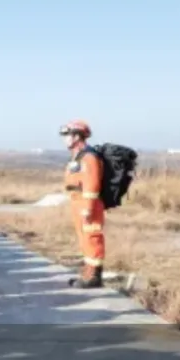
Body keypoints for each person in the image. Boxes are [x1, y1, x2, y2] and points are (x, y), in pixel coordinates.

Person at [60, 119, 106, 289]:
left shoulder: (89, 157)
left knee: (91, 236)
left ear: (77, 136)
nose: (65, 139)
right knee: (83, 238)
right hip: (78, 201)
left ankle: (94, 276)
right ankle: (88, 271)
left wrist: (88, 207)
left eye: (67, 135)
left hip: (88, 203)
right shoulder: (78, 156)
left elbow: (91, 183)